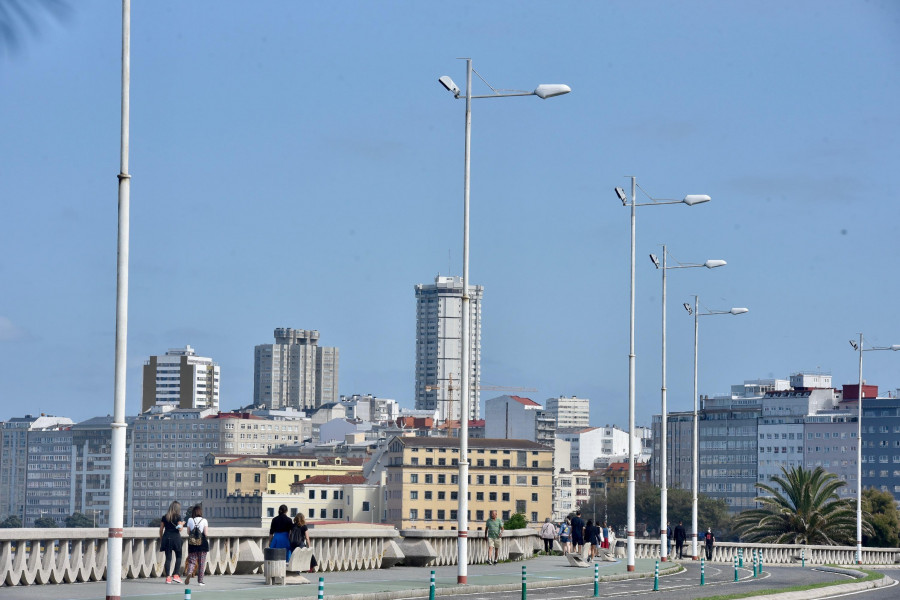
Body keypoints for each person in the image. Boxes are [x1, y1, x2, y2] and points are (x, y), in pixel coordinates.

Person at [158, 500, 184, 584]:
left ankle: (168, 577)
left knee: (168, 558)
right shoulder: (178, 517)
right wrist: (182, 524)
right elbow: (179, 529)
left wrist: (162, 538)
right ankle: (176, 575)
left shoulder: (164, 517)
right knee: (179, 556)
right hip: (176, 538)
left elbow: (161, 529)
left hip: (167, 538)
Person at [183, 504, 209, 586]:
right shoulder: (204, 520)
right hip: (202, 544)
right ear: (200, 512)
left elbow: (188, 532)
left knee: (192, 561)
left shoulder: (190, 520)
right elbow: (206, 533)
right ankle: (200, 581)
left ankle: (189, 572)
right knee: (201, 563)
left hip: (192, 544)